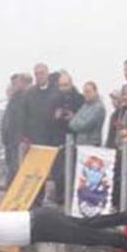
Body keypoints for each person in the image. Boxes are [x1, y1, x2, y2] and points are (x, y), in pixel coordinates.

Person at [46, 71, 84, 203]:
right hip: (58, 137)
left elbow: (83, 117)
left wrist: (74, 116)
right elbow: (47, 119)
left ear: (71, 83)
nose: (64, 88)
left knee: (72, 169)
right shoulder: (54, 98)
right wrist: (55, 116)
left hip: (74, 138)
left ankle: (71, 197)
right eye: (61, 85)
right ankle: (60, 196)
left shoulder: (79, 98)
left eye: (66, 85)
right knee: (58, 170)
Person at [0, 73, 31, 187]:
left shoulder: (23, 97)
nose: (14, 86)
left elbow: (20, 117)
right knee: (10, 162)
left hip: (16, 135)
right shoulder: (15, 97)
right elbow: (9, 117)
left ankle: (14, 185)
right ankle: (9, 183)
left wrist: (22, 135)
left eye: (16, 83)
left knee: (15, 163)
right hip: (9, 135)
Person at [22, 63, 59, 149]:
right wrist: (25, 136)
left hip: (52, 140)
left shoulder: (57, 91)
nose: (39, 76)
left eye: (41, 73)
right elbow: (24, 116)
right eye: (36, 74)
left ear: (47, 74)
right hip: (34, 140)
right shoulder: (29, 93)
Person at [69, 81, 106, 146]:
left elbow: (84, 125)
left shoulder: (99, 108)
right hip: (80, 143)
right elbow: (71, 123)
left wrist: (77, 120)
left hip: (92, 144)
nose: (86, 94)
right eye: (84, 92)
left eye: (88, 91)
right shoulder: (84, 106)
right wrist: (77, 120)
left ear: (95, 92)